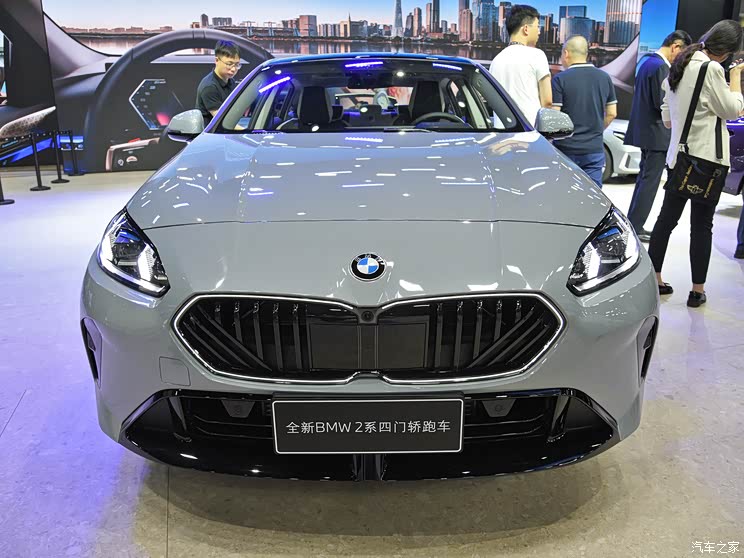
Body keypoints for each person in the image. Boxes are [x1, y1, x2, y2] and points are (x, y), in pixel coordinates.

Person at [648, 20, 744, 308]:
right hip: (706, 161)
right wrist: (735, 77)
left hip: (678, 159)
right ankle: (697, 291)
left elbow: (667, 119)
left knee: (665, 222)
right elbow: (733, 110)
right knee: (701, 226)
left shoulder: (680, 64)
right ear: (727, 51)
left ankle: (655, 280)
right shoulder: (711, 69)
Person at [625, 30, 693, 242]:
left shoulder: (647, 63)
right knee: (649, 183)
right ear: (676, 46)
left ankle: (633, 223)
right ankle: (636, 226)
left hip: (647, 132)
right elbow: (662, 103)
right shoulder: (660, 67)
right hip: (656, 134)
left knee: (644, 181)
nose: (681, 60)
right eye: (683, 54)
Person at [551, 35, 617, 188]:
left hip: (566, 150)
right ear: (586, 54)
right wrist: (597, 130)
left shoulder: (560, 79)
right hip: (594, 149)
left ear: (566, 53)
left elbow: (554, 117)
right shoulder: (605, 77)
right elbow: (612, 113)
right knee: (593, 194)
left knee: (565, 193)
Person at [489, 5, 551, 126]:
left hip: (502, 132)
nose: (539, 32)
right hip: (530, 131)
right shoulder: (537, 55)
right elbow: (547, 102)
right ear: (526, 29)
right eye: (537, 27)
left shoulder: (496, 61)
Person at [195, 40, 241, 125]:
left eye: (237, 64)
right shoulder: (209, 87)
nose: (233, 69)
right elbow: (224, 122)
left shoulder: (231, 81)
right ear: (216, 60)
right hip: (211, 132)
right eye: (229, 64)